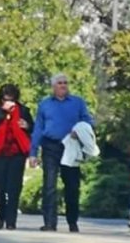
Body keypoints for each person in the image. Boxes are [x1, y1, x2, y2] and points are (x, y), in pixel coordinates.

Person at [28, 74, 94, 232]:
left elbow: (89, 121)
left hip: (71, 146)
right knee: (49, 185)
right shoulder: (45, 104)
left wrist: (80, 131)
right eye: (60, 83)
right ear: (53, 86)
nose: (63, 85)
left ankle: (72, 222)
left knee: (72, 186)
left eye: (65, 82)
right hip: (51, 146)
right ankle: (50, 223)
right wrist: (33, 152)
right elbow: (38, 129)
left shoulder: (78, 102)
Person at [0, 83, 33, 230]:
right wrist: (2, 113)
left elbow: (33, 127)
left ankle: (11, 221)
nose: (8, 102)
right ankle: (2, 217)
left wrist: (27, 125)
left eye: (10, 99)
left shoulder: (23, 110)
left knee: (14, 188)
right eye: (5, 99)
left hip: (17, 153)